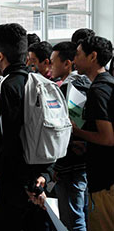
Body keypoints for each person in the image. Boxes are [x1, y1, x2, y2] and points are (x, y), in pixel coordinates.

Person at [0, 23, 54, 231]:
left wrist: (23, 184)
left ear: (0, 55)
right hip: (39, 181)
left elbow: (9, 141)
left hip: (14, 187)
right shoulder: (38, 82)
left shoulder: (6, 86)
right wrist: (43, 176)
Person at [72, 35, 114, 231]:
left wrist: (77, 131)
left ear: (93, 56)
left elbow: (107, 138)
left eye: (78, 54)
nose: (74, 59)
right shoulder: (108, 84)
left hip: (104, 182)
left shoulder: (98, 90)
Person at [51, 41, 91, 231]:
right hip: (81, 163)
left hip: (70, 165)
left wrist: (57, 166)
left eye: (53, 62)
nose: (50, 67)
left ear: (67, 63)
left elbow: (68, 129)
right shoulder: (86, 84)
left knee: (72, 219)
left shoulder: (70, 90)